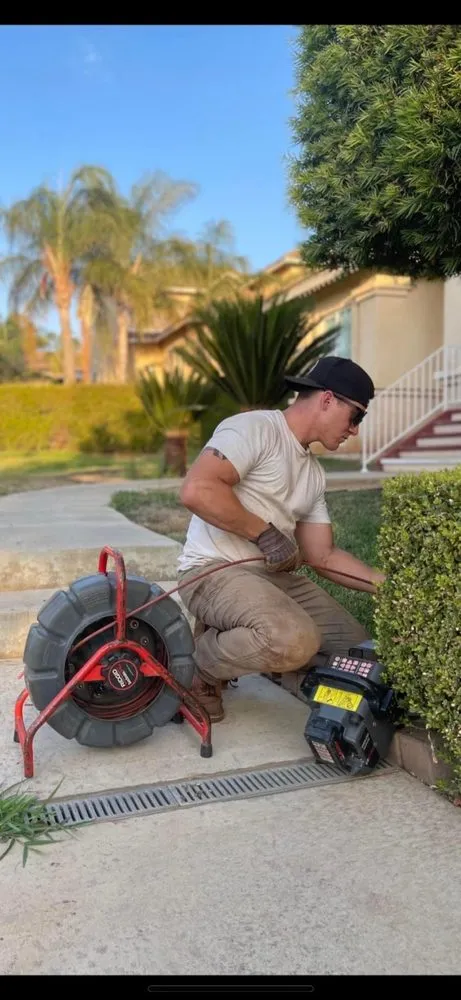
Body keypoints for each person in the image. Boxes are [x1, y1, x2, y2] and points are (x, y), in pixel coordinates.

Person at [177, 356, 385, 722]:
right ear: (327, 399)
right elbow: (198, 489)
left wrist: (391, 587)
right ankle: (200, 666)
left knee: (356, 651)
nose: (355, 430)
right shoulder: (254, 429)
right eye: (357, 416)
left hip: (271, 580)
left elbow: (323, 555)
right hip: (212, 571)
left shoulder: (313, 475)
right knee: (294, 640)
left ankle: (254, 643)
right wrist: (266, 535)